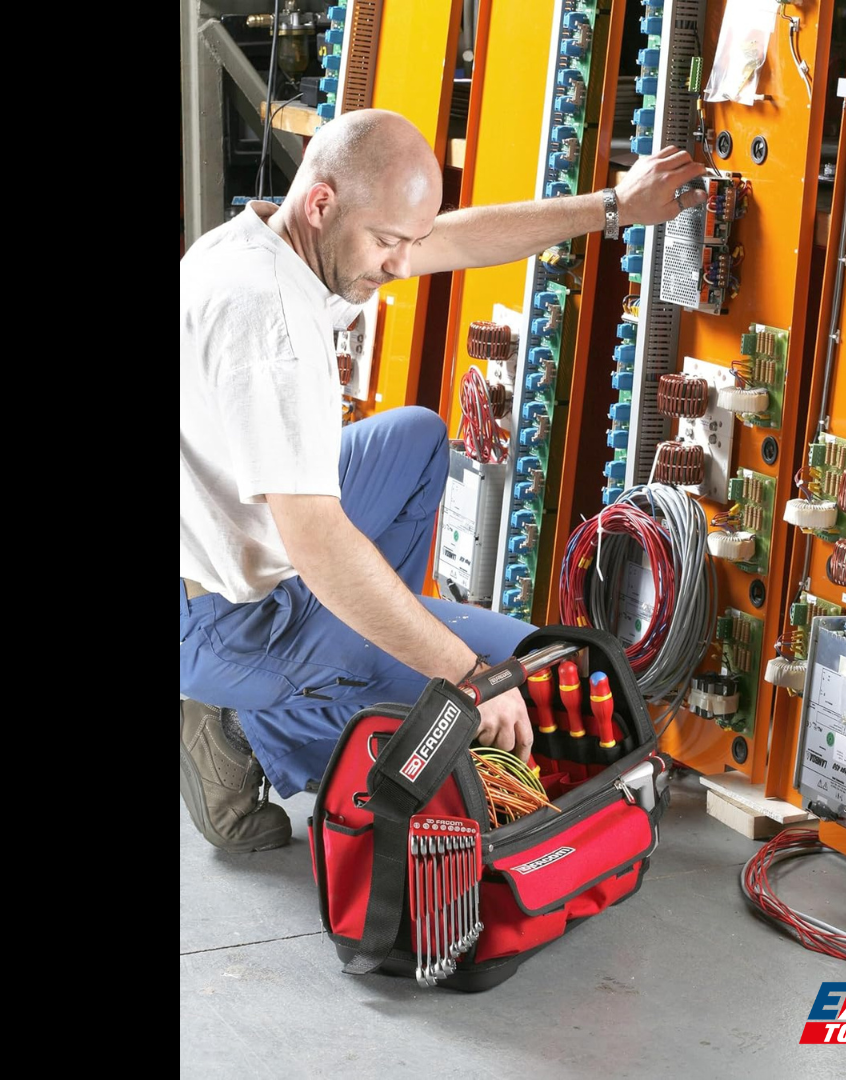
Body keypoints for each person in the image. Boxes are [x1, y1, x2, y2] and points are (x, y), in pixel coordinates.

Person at [180, 109, 706, 852]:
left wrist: (614, 205)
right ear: (322, 202)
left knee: (416, 440)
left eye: (407, 241)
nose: (400, 266)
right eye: (387, 243)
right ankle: (248, 731)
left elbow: (455, 238)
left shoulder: (273, 240)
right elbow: (320, 544)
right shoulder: (273, 326)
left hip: (225, 546)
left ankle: (352, 659)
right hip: (224, 620)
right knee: (519, 685)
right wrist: (467, 675)